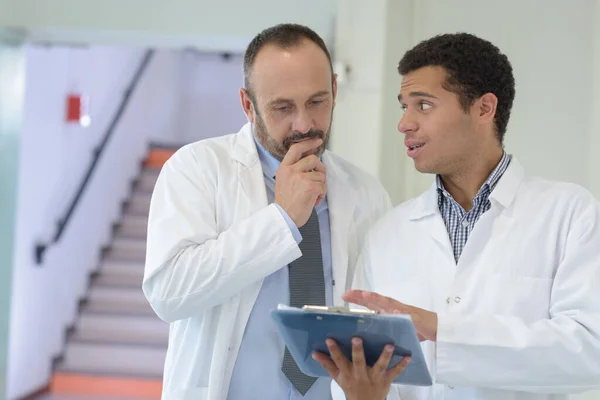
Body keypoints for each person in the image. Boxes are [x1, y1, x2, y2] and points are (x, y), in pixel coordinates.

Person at [317, 32, 600, 400]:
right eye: (404, 106)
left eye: (424, 105)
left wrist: (441, 331)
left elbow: (590, 351)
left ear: (484, 109)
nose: (404, 123)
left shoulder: (568, 213)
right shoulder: (387, 233)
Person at [142, 23, 401, 400]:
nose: (305, 125)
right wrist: (280, 219)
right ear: (248, 105)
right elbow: (168, 294)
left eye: (317, 101)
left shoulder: (367, 192)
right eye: (282, 108)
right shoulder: (196, 169)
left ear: (334, 88)